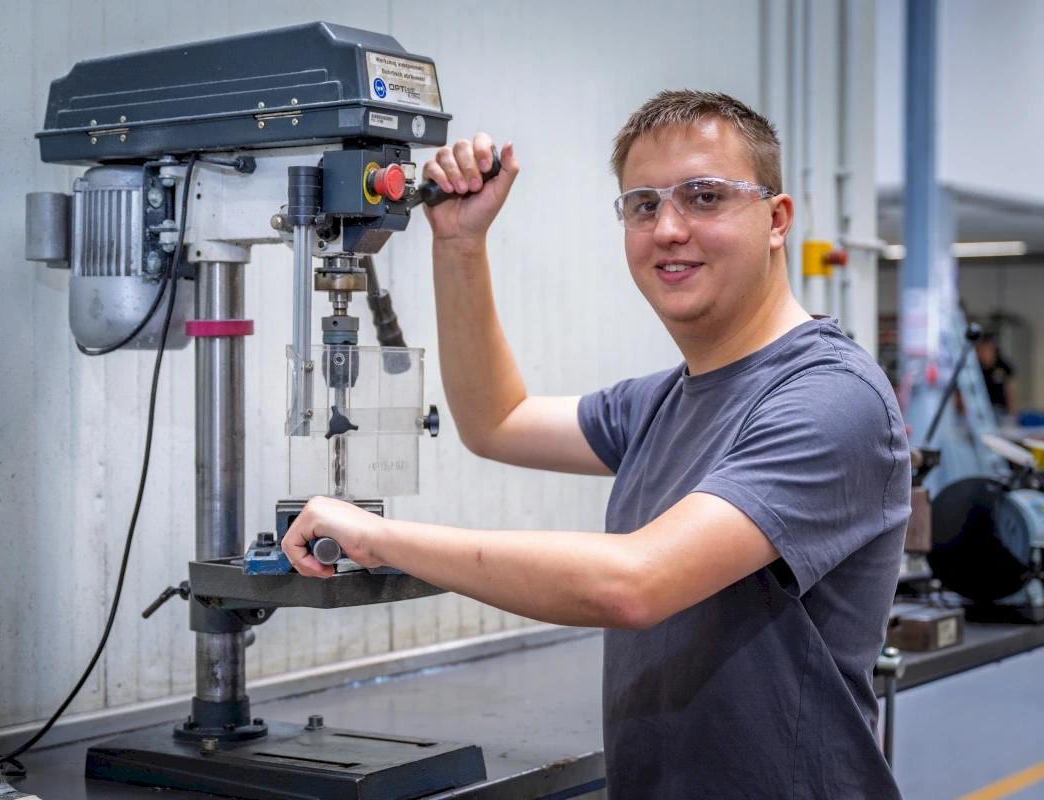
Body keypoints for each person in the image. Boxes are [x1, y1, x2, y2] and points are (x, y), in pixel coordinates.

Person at [282, 90, 911, 799]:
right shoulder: (665, 400)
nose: (669, 228)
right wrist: (460, 243)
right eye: (644, 205)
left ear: (776, 219)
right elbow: (497, 420)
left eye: (704, 197)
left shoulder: (830, 397)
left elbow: (636, 583)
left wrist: (378, 537)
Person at [976, 331, 1018, 420]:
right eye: (984, 350)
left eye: (990, 350)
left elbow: (1009, 392)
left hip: (1001, 412)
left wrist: (1012, 415)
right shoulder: (974, 370)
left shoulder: (1002, 366)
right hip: (982, 413)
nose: (987, 354)